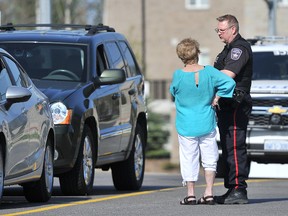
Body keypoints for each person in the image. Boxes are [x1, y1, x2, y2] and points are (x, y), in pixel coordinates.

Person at [170, 38, 235, 205]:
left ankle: (190, 195)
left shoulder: (178, 75)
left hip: (186, 124)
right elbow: (229, 82)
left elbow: (173, 92)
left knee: (189, 158)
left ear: (181, 56)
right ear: (197, 53)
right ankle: (209, 192)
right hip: (206, 122)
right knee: (209, 158)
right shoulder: (210, 72)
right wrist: (216, 97)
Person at [213, 14, 253, 204]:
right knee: (228, 148)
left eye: (221, 30)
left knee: (235, 147)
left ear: (233, 29)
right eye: (217, 30)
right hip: (227, 106)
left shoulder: (239, 48)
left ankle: (239, 189)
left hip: (236, 104)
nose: (219, 33)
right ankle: (231, 189)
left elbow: (227, 75)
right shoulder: (227, 49)